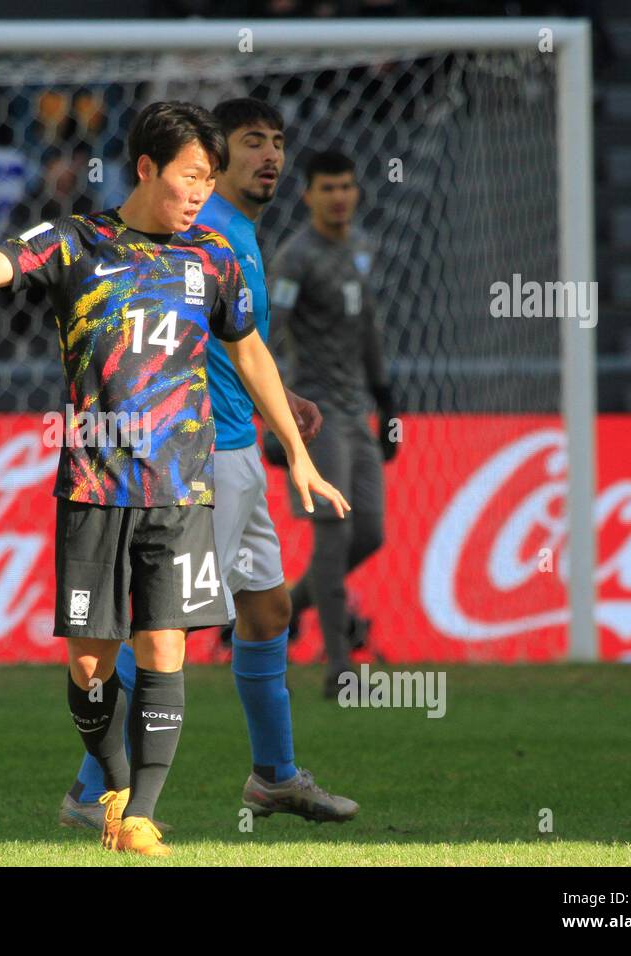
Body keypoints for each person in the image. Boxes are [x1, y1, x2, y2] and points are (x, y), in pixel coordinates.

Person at [0, 102, 349, 856]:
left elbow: (252, 352)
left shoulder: (213, 258)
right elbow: (1, 261)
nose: (202, 191)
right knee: (93, 666)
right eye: (190, 176)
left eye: (208, 177)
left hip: (181, 488)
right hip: (96, 489)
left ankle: (138, 812)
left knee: (167, 650)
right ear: (146, 168)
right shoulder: (80, 242)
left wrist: (295, 448)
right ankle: (105, 784)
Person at [59, 98, 361, 833]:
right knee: (166, 632)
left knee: (268, 608)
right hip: (204, 457)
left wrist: (281, 403)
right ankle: (91, 790)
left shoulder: (239, 235)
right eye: (252, 143)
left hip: (238, 452)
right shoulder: (201, 230)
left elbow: (234, 343)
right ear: (212, 159)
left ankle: (274, 776)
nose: (271, 157)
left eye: (278, 143)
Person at [268, 149, 399, 699]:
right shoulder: (295, 258)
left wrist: (387, 399)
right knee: (334, 531)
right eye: (328, 188)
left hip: (356, 411)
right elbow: (266, 335)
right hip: (314, 411)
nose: (339, 196)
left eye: (346, 186)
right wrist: (277, 417)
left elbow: (367, 325)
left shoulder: (363, 250)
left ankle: (284, 613)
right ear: (309, 196)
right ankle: (340, 668)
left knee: (370, 531)